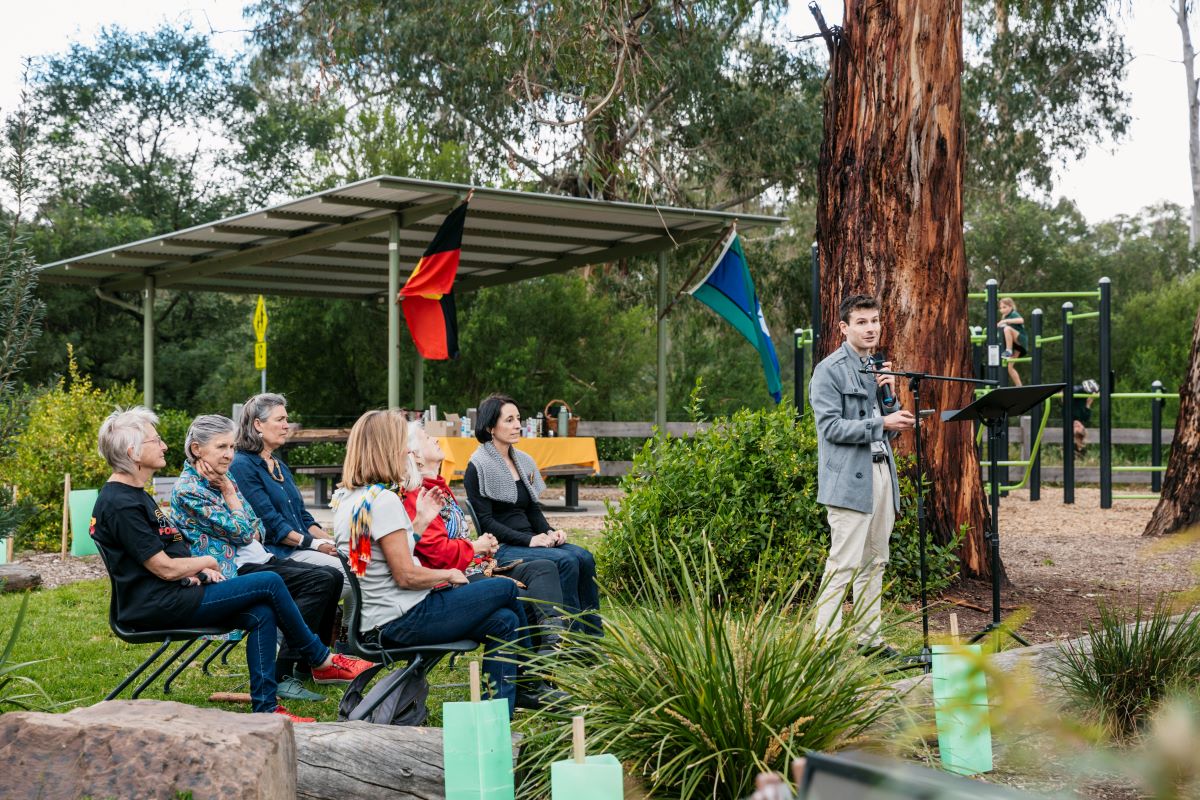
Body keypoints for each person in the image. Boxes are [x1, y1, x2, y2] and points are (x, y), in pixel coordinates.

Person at [90, 407, 371, 722]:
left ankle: (267, 709)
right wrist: (206, 560)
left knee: (262, 612)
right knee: (269, 582)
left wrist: (197, 569)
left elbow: (175, 546)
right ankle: (320, 659)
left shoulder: (134, 494)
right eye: (157, 441)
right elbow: (164, 568)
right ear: (134, 452)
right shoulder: (121, 503)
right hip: (155, 604)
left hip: (176, 592)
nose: (165, 446)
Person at [331, 409, 533, 714]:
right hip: (403, 619)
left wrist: (419, 525)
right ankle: (531, 681)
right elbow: (405, 576)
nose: (407, 450)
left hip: (378, 617)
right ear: (387, 448)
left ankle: (501, 709)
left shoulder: (356, 499)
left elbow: (371, 561)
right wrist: (450, 573)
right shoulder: (383, 501)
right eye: (402, 443)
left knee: (505, 621)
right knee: (505, 590)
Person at [170, 414, 344, 702]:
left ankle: (307, 667)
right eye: (221, 447)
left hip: (258, 556)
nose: (229, 454)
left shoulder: (224, 477)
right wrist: (230, 495)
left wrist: (237, 511)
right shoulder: (190, 490)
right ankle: (287, 673)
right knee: (317, 581)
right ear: (197, 449)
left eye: (232, 447)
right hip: (231, 569)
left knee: (332, 576)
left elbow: (258, 527)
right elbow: (242, 530)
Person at [808, 294, 914, 657]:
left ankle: (871, 640)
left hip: (883, 474)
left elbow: (889, 429)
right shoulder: (830, 370)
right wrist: (882, 422)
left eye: (875, 321)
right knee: (844, 563)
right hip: (849, 479)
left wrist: (891, 403)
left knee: (876, 561)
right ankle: (824, 645)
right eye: (862, 322)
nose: (871, 329)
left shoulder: (876, 367)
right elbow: (832, 428)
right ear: (844, 328)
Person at [404, 421, 568, 655]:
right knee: (522, 599)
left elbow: (455, 537)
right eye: (427, 437)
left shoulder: (440, 487)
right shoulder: (418, 496)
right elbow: (438, 554)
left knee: (543, 568)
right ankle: (534, 674)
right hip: (451, 579)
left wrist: (480, 546)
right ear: (416, 457)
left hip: (473, 567)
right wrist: (475, 547)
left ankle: (553, 641)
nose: (436, 439)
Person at [464, 394, 601, 634]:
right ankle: (571, 640)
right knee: (566, 561)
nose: (517, 425)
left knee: (585, 557)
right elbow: (486, 522)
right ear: (490, 427)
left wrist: (549, 532)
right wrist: (530, 540)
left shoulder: (523, 461)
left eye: (518, 418)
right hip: (503, 545)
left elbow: (531, 508)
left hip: (531, 538)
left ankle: (592, 638)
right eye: (509, 420)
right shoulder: (478, 466)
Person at [229, 393, 347, 598]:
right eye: (280, 419)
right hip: (280, 552)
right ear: (258, 424)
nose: (287, 425)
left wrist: (333, 543)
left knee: (353, 564)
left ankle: (349, 629)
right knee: (346, 574)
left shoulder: (278, 465)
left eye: (286, 419)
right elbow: (271, 523)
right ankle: (292, 627)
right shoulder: (242, 465)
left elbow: (303, 517)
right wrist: (316, 544)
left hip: (301, 546)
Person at [998, 297, 1027, 387]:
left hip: (1020, 339)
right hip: (1016, 345)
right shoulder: (1004, 316)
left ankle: (1008, 350)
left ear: (1011, 307)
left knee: (1007, 329)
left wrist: (1006, 321)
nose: (1002, 310)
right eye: (1001, 308)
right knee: (1009, 368)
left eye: (1005, 307)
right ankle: (1019, 386)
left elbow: (1021, 320)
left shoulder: (1013, 313)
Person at [1072, 378, 1100, 456]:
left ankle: (1088, 388)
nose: (1077, 425)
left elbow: (1064, 403)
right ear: (1084, 427)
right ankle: (1091, 388)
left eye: (1075, 429)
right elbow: (1088, 403)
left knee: (1068, 393)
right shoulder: (1085, 417)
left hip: (1072, 394)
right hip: (1083, 394)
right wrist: (1094, 395)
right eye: (1080, 427)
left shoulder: (1068, 418)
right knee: (1096, 390)